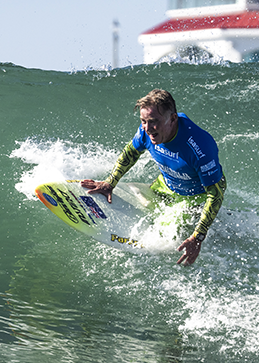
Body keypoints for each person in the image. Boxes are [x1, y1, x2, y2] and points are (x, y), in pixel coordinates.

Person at [81, 89, 226, 266]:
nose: (148, 129)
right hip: (167, 184)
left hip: (196, 197)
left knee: (164, 233)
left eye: (154, 122)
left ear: (172, 119)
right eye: (143, 121)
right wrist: (110, 183)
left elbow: (216, 194)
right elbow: (131, 153)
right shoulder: (146, 132)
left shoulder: (200, 147)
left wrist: (198, 236)